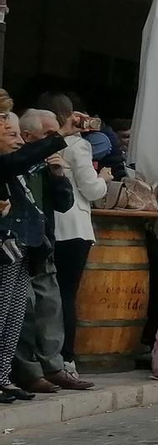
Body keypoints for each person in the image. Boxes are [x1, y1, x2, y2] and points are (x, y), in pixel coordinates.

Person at [0, 112, 89, 402]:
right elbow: (17, 162)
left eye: (16, 134)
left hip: (32, 246)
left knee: (16, 315)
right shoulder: (12, 163)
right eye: (10, 134)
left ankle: (3, 377)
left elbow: (63, 202)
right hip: (6, 247)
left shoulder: (31, 164)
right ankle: (21, 373)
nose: (17, 142)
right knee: (5, 314)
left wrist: (57, 173)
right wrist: (61, 134)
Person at [47, 97, 107, 373]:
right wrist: (104, 179)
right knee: (67, 294)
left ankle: (48, 355)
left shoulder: (39, 142)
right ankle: (67, 357)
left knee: (48, 293)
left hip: (49, 225)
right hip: (73, 226)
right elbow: (91, 190)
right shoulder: (78, 146)